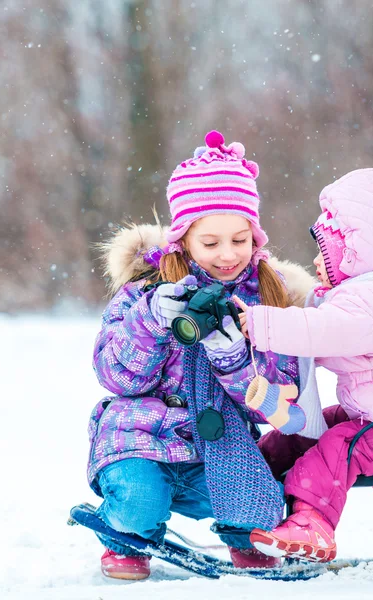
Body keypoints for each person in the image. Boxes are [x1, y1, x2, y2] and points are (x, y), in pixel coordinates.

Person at [86, 130, 315, 580]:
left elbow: (282, 400)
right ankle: (124, 531)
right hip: (140, 436)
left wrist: (232, 356)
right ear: (184, 239)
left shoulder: (268, 301)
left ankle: (242, 534)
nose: (228, 255)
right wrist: (151, 321)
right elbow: (116, 377)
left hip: (219, 444)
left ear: (256, 236)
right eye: (210, 243)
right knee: (138, 501)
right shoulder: (144, 292)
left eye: (240, 240)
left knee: (262, 511)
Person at [235, 168, 373, 563]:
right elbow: (325, 327)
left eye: (324, 252)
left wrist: (264, 323)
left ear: (353, 254)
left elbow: (325, 331)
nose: (316, 260)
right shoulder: (361, 296)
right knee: (306, 428)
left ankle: (313, 523)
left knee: (340, 444)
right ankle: (249, 481)